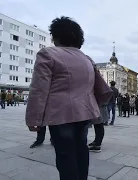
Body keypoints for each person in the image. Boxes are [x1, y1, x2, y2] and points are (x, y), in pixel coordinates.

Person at [25, 16, 111, 180]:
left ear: (56, 36)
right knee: (81, 151)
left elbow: (38, 89)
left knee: (65, 156)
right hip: (84, 113)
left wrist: (33, 118)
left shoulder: (48, 54)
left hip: (60, 115)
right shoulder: (87, 59)